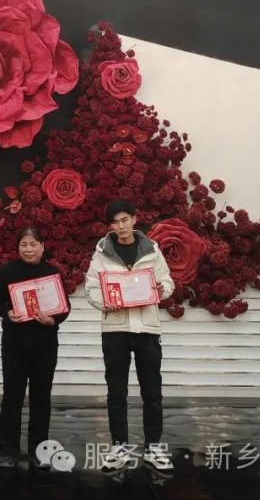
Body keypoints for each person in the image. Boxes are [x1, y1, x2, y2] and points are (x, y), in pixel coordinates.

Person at [83, 199, 175, 473]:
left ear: (135, 219)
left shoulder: (152, 250)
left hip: (147, 329)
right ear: (110, 225)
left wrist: (161, 288)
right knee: (116, 392)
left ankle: (154, 447)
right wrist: (105, 302)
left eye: (125, 220)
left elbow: (168, 281)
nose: (120, 226)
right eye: (115, 222)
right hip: (115, 330)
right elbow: (91, 288)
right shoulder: (102, 253)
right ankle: (119, 448)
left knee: (152, 392)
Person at [0, 226, 69, 469]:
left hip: (45, 344)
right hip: (14, 344)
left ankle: (39, 447)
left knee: (41, 396)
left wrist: (53, 320)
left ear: (42, 247)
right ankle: (8, 449)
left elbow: (64, 307)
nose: (29, 249)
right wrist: (8, 313)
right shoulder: (9, 271)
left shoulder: (52, 273)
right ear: (18, 248)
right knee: (12, 396)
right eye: (24, 244)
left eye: (33, 244)